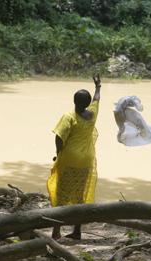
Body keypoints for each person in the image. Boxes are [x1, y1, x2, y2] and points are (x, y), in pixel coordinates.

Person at [47, 75, 101, 240]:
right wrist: (98, 86)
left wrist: (58, 153)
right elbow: (97, 99)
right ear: (87, 103)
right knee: (79, 196)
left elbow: (59, 137)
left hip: (70, 159)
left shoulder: (69, 116)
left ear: (74, 101)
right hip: (86, 160)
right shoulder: (92, 114)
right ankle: (77, 231)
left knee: (61, 196)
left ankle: (56, 231)